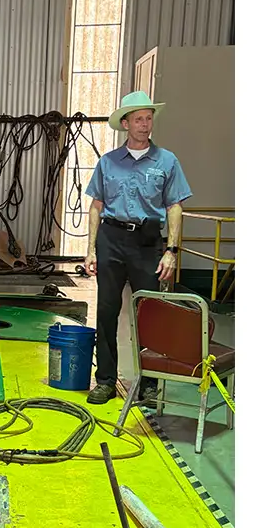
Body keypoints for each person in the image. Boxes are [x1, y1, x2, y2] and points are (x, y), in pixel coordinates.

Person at [83, 90, 192, 405]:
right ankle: (104, 380)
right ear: (126, 124)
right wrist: (91, 250)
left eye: (149, 118)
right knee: (106, 311)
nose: (145, 125)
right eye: (139, 119)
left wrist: (171, 250)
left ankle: (149, 383)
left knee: (150, 314)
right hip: (111, 239)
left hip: (148, 243)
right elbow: (96, 206)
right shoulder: (108, 163)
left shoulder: (167, 161)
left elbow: (174, 207)